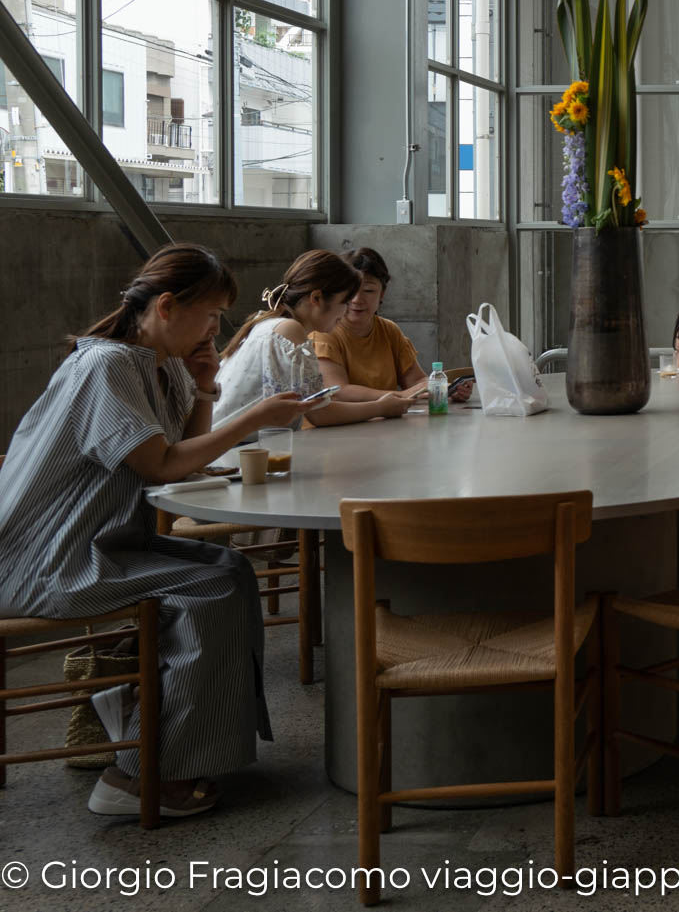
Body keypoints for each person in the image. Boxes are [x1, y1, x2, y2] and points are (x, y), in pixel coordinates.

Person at [0, 245, 322, 817]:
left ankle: (142, 710)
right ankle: (136, 779)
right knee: (213, 588)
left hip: (102, 543)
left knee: (230, 569)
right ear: (169, 307)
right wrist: (252, 416)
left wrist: (204, 384)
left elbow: (184, 455)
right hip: (48, 557)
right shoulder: (106, 366)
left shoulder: (161, 362)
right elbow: (160, 466)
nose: (216, 328)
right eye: (211, 315)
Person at [215, 251, 413, 429]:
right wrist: (380, 408)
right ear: (316, 299)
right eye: (344, 302)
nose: (347, 309)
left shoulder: (272, 322)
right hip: (235, 451)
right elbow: (319, 412)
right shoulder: (289, 329)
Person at [311, 247, 472, 403]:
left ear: (382, 293)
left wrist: (444, 389)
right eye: (351, 291)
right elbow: (338, 392)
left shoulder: (389, 330)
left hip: (383, 425)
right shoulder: (324, 333)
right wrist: (400, 396)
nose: (357, 300)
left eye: (368, 291)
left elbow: (416, 381)